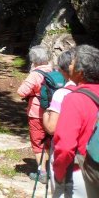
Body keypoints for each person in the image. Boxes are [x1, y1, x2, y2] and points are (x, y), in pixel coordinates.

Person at [53, 44, 99, 197]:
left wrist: (58, 173)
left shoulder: (75, 99)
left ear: (80, 72)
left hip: (83, 173)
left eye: (72, 63)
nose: (69, 66)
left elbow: (65, 146)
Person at [43, 48, 86, 197]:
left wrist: (45, 114)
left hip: (70, 164)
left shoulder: (62, 94)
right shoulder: (94, 91)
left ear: (63, 71)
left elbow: (51, 127)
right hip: (91, 162)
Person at [17, 45, 52, 184]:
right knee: (50, 141)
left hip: (37, 113)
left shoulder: (35, 74)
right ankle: (52, 169)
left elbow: (21, 92)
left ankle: (42, 173)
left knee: (38, 143)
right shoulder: (54, 71)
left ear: (34, 60)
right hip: (54, 113)